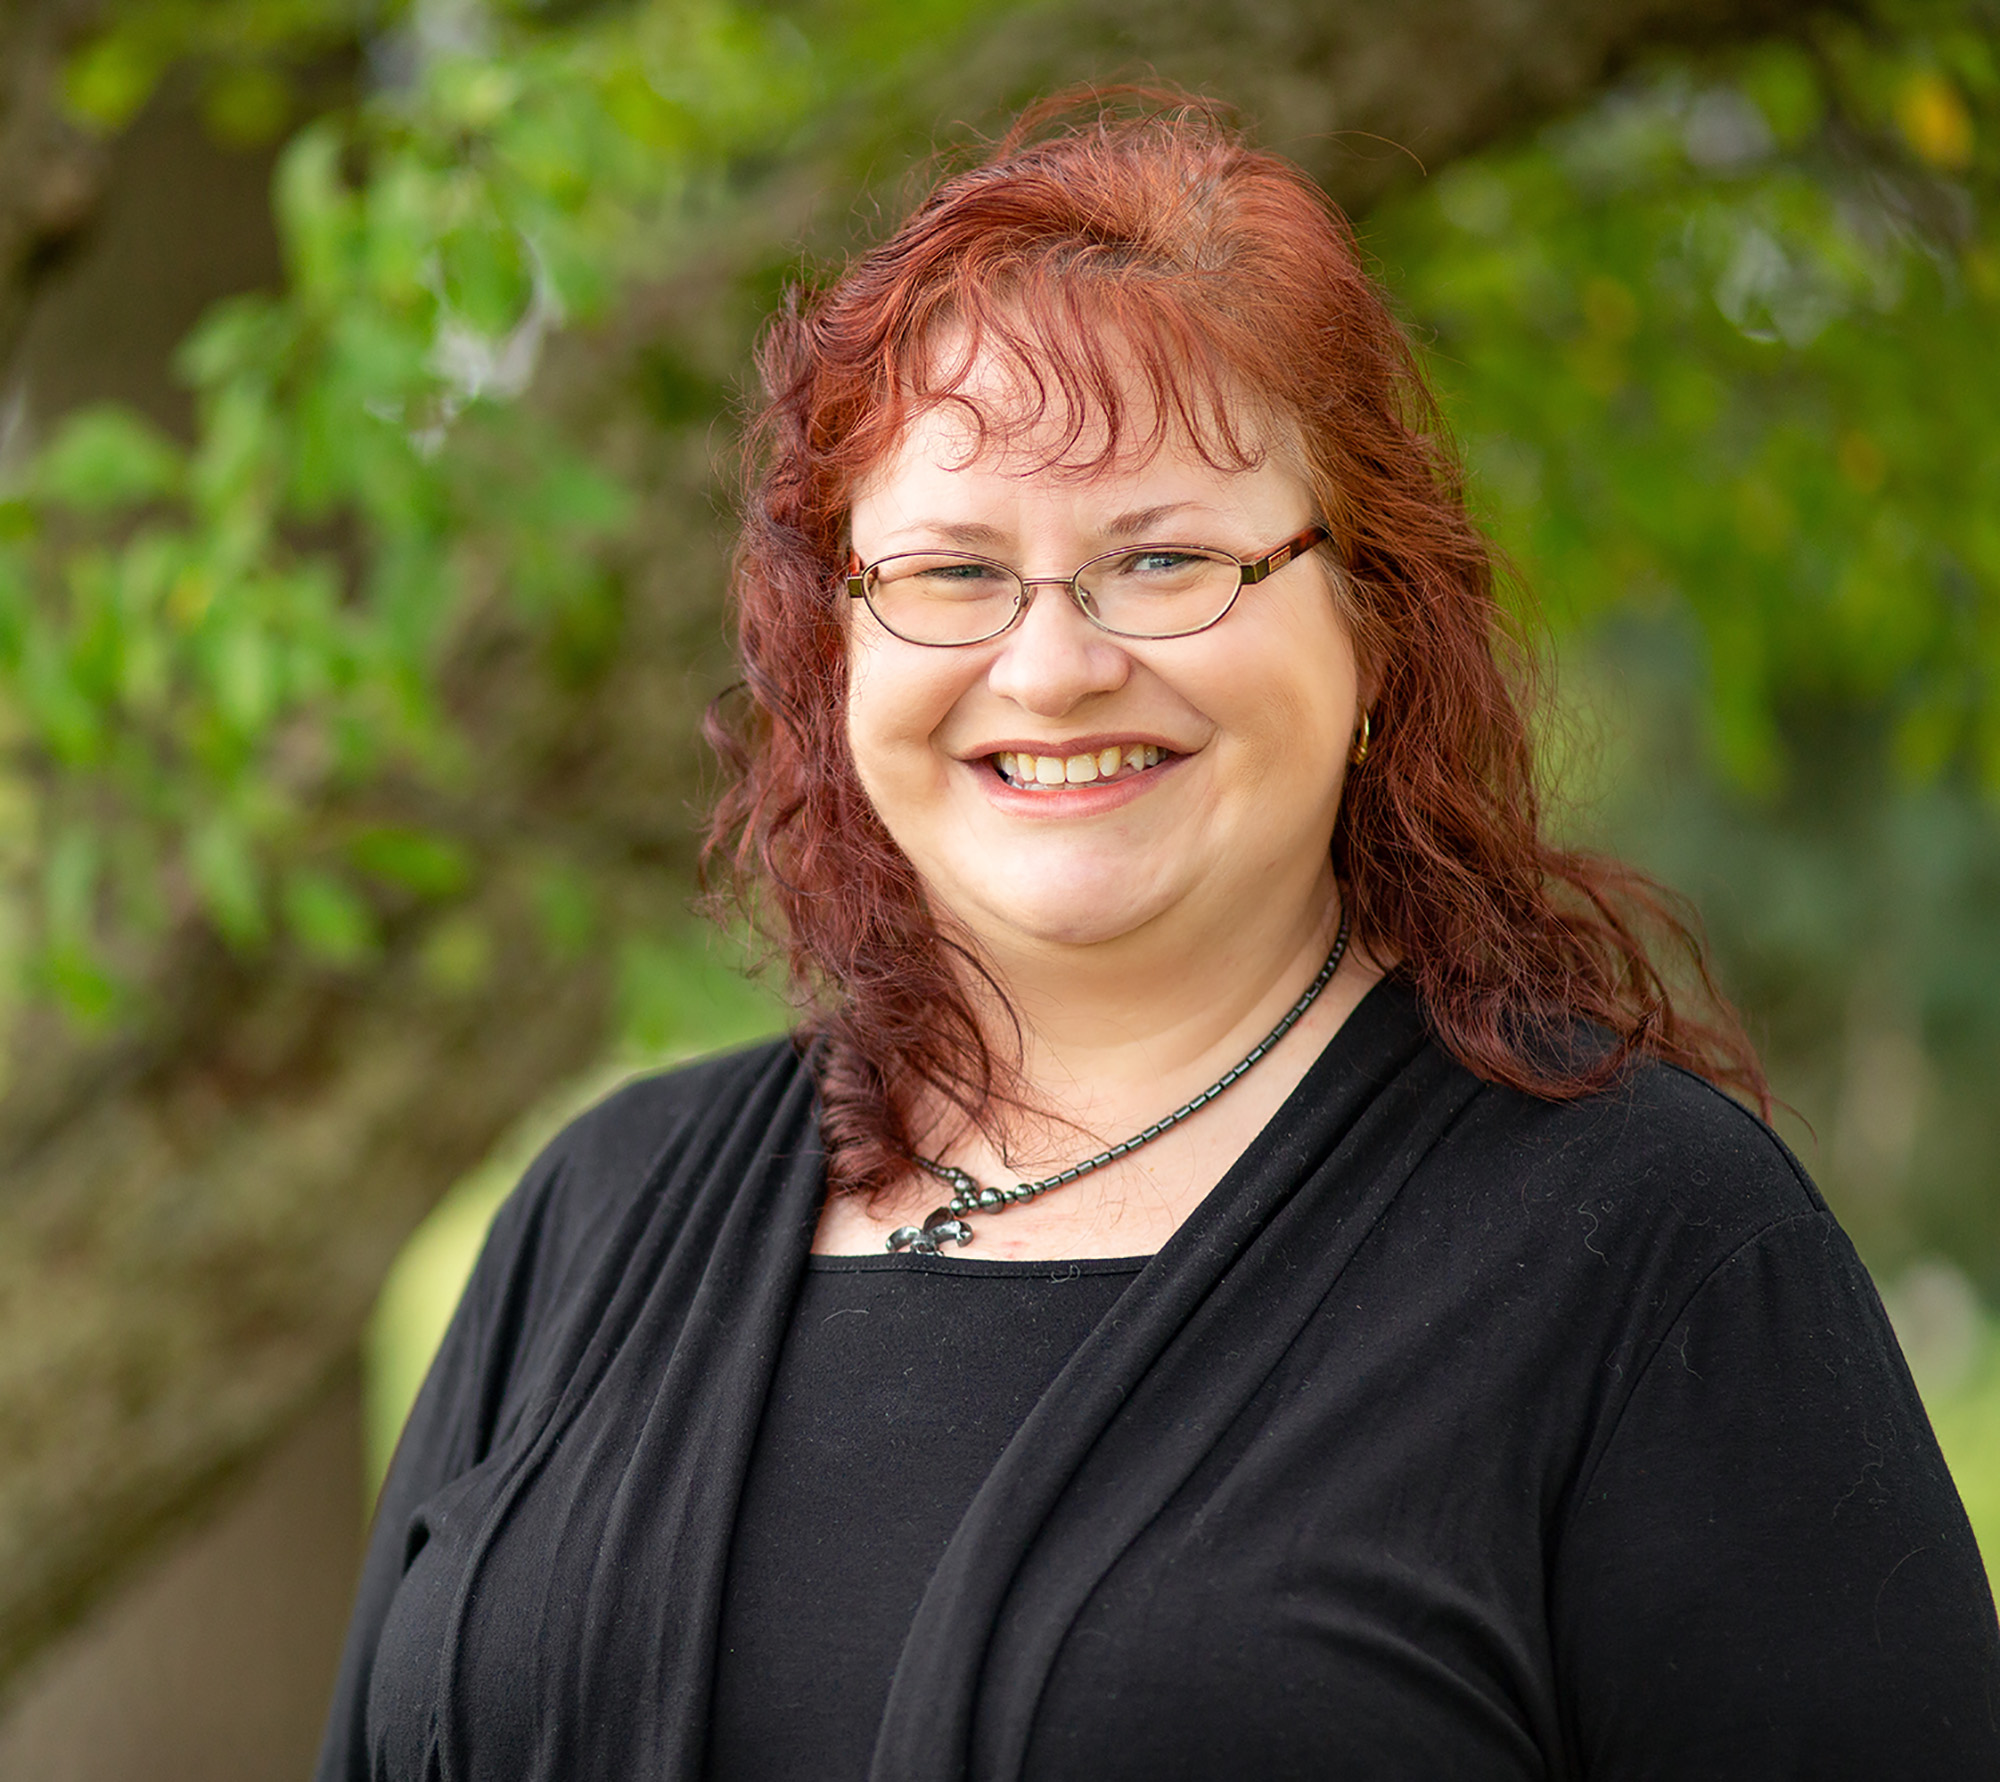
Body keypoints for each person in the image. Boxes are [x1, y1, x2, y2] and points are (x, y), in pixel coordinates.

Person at [316, 93, 2000, 1781]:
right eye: (954, 571)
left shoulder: (1646, 1251)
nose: (1050, 668)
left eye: (1168, 558)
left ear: (1378, 627)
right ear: (838, 645)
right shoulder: (596, 1220)